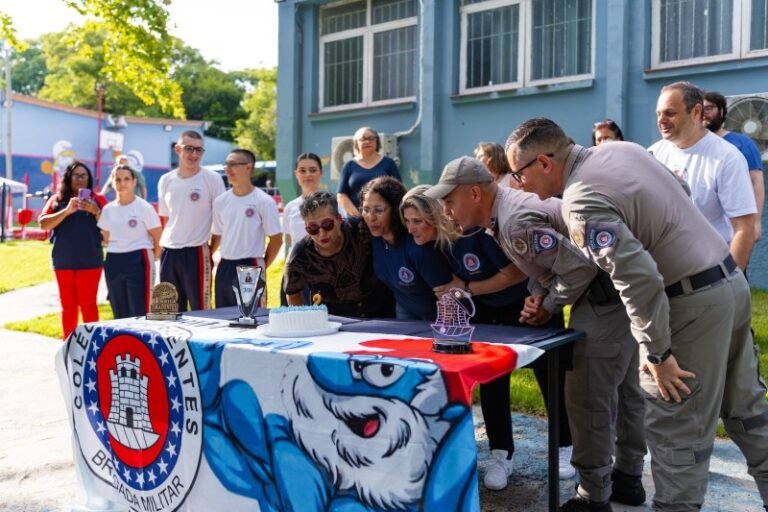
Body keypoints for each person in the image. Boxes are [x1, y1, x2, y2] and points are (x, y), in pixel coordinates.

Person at [504, 117, 768, 512]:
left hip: (687, 303)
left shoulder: (579, 199)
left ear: (543, 162)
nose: (517, 185)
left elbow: (639, 278)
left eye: (518, 173)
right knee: (748, 414)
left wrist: (657, 353)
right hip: (728, 282)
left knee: (676, 433)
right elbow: (679, 191)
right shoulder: (620, 150)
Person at [427, 158, 647, 505]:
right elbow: (548, 263)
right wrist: (539, 294)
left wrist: (547, 305)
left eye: (449, 200)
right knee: (627, 391)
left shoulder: (512, 219)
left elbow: (576, 270)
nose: (445, 209)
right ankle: (628, 479)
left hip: (603, 295)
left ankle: (594, 495)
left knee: (588, 396)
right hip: (618, 287)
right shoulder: (505, 214)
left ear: (473, 193)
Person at [402, 185, 577, 488]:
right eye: (407, 221)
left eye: (418, 220)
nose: (411, 228)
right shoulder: (432, 247)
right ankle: (501, 454)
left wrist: (468, 288)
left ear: (435, 217)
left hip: (524, 306)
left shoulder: (474, 236)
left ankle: (564, 446)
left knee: (549, 377)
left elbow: (516, 273)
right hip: (485, 316)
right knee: (492, 382)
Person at [649, 81, 757, 271]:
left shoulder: (727, 157)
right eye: (659, 114)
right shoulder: (651, 155)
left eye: (670, 113)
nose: (661, 120)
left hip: (711, 274)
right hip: (663, 272)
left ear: (696, 111)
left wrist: (731, 280)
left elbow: (744, 227)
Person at [283, 191, 394, 318]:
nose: (322, 234)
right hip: (334, 319)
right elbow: (292, 293)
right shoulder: (300, 256)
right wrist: (303, 321)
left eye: (327, 225)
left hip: (380, 310)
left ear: (339, 219)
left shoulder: (361, 229)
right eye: (313, 228)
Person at [359, 176, 451, 321]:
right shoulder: (374, 238)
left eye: (379, 210)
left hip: (436, 321)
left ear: (396, 210)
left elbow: (450, 299)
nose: (371, 217)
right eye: (366, 209)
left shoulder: (419, 247)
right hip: (404, 314)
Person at [157, 130, 226, 312]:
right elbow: (166, 218)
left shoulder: (212, 179)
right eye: (189, 149)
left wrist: (210, 249)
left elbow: (220, 221)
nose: (194, 155)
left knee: (201, 310)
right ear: (178, 149)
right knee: (169, 310)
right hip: (169, 252)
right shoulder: (166, 180)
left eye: (199, 150)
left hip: (197, 252)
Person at [39, 161, 106, 339]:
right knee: (68, 307)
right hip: (63, 261)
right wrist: (66, 211)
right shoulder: (58, 199)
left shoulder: (98, 199)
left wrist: (95, 211)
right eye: (76, 175)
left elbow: (111, 228)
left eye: (84, 175)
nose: (80, 179)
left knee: (88, 305)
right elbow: (43, 224)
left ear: (89, 179)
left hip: (90, 261)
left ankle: (94, 346)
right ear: (69, 178)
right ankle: (68, 346)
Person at [211, 149, 282, 309]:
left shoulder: (264, 201)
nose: (227, 169)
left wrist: (261, 266)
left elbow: (277, 240)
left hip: (251, 265)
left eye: (233, 164)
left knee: (252, 318)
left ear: (248, 168)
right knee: (223, 317)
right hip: (225, 266)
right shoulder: (220, 201)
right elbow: (217, 234)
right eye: (226, 164)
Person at [97, 165, 162, 319]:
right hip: (114, 260)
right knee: (119, 311)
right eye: (118, 179)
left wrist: (153, 258)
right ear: (113, 183)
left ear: (134, 182)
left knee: (140, 311)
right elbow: (105, 239)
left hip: (139, 259)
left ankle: (142, 342)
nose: (122, 183)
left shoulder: (143, 207)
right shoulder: (108, 210)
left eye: (126, 179)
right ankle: (122, 343)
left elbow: (158, 238)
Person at [703, 90, 765, 241]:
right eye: (700, 109)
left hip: (735, 230)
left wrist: (755, 222)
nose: (704, 114)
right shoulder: (694, 145)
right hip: (703, 231)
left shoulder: (743, 143)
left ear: (722, 111)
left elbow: (756, 182)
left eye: (709, 108)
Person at [281, 152, 324, 305]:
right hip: (295, 273)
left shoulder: (333, 205)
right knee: (293, 321)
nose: (308, 175)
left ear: (321, 172)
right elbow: (289, 240)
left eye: (313, 170)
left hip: (324, 273)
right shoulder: (290, 207)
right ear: (296, 174)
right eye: (302, 170)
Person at [337, 127, 401, 217]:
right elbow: (341, 195)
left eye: (371, 138)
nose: (367, 141)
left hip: (385, 219)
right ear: (356, 143)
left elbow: (398, 191)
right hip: (357, 220)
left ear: (377, 141)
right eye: (363, 139)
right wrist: (358, 216)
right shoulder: (349, 165)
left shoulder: (389, 163)